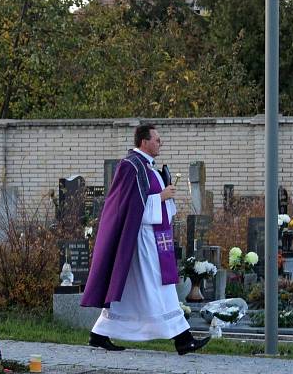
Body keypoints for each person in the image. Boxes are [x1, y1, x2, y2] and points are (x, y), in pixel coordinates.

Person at [81, 125, 210, 355]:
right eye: (157, 139)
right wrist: (161, 196)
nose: (161, 143)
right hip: (140, 239)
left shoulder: (148, 168)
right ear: (144, 142)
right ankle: (183, 338)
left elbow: (149, 202)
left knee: (134, 290)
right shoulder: (130, 166)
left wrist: (165, 197)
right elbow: (126, 206)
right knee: (159, 286)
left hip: (154, 237)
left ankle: (99, 333)